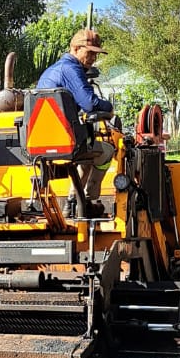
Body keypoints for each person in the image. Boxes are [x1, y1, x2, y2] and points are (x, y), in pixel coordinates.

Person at [35, 27, 116, 217]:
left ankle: (73, 201)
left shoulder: (51, 71)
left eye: (95, 55)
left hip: (43, 142)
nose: (93, 59)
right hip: (66, 142)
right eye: (90, 53)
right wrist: (109, 109)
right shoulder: (71, 69)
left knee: (88, 154)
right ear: (76, 49)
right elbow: (90, 103)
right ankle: (86, 200)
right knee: (106, 151)